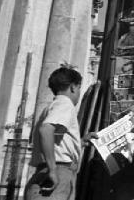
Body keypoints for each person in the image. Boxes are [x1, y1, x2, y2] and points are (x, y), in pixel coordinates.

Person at [24, 66, 95, 200]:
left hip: (49, 171)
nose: (79, 93)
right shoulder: (65, 104)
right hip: (57, 172)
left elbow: (57, 141)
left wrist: (80, 142)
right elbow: (46, 130)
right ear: (73, 87)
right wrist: (53, 170)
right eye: (79, 89)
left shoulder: (52, 106)